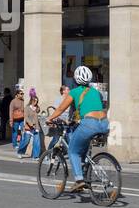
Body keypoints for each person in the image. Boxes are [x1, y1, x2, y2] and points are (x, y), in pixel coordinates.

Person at [47, 65, 109, 193]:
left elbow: (60, 109)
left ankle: (79, 180)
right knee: (83, 148)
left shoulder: (74, 92)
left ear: (75, 79)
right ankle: (86, 168)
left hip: (89, 124)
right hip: (104, 123)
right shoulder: (95, 92)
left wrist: (50, 119)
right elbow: (95, 106)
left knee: (73, 151)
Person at [16, 89, 43, 159]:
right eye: (34, 101)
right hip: (29, 128)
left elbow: (37, 117)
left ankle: (35, 156)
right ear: (31, 100)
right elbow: (26, 117)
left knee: (37, 142)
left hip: (36, 128)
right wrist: (31, 124)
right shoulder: (27, 108)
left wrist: (37, 127)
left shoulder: (37, 108)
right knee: (26, 141)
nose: (36, 102)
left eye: (37, 101)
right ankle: (20, 152)